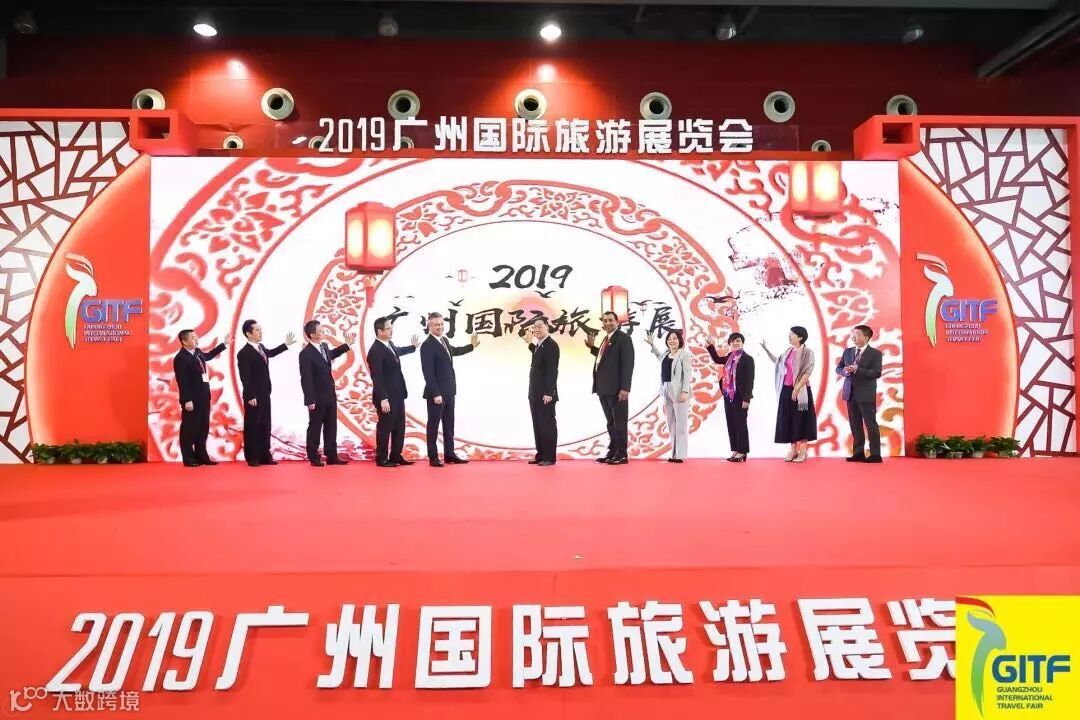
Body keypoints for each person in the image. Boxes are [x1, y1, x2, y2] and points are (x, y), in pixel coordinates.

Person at [419, 312, 479, 467]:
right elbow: (428, 373)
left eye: (441, 324)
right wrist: (435, 393)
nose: (440, 327)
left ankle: (450, 454)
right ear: (429, 325)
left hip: (450, 391)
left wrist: (471, 346)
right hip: (436, 394)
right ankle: (433, 457)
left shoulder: (444, 340)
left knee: (449, 424)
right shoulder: (427, 345)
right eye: (436, 325)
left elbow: (455, 351)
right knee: (433, 425)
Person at [237, 320, 296, 467]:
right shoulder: (244, 353)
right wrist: (250, 395)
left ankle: (265, 455)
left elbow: (270, 353)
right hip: (253, 396)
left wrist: (285, 345)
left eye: (260, 329)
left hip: (265, 393)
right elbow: (245, 377)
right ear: (248, 334)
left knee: (265, 424)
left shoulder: (261, 347)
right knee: (253, 426)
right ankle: (252, 457)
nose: (260, 332)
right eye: (257, 330)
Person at [366, 316, 421, 468]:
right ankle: (382, 458)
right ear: (379, 331)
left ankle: (396, 455)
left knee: (399, 427)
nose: (391, 331)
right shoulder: (375, 350)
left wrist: (412, 347)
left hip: (398, 394)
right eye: (388, 329)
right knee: (385, 428)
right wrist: (383, 398)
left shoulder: (389, 344)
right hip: (386, 397)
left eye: (391, 328)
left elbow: (398, 351)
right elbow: (377, 377)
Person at [299, 320, 352, 467]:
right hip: (316, 397)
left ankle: (332, 455)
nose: (323, 333)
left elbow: (331, 355)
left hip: (329, 393)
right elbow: (306, 378)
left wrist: (346, 345)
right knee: (315, 426)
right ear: (312, 334)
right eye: (320, 331)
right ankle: (314, 456)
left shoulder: (324, 346)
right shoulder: (305, 354)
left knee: (331, 425)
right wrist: (309, 400)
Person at [173, 329, 229, 467]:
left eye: (196, 337)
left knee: (202, 428)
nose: (196, 339)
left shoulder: (197, 352)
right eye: (192, 338)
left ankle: (202, 456)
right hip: (191, 399)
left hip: (204, 396)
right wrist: (187, 400)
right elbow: (182, 381)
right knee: (189, 429)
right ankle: (189, 458)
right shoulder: (180, 358)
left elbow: (208, 355)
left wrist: (223, 345)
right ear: (184, 341)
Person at [761, 326, 817, 463]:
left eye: (792, 334)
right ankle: (793, 450)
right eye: (789, 334)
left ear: (800, 337)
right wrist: (766, 350)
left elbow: (807, 371)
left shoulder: (807, 352)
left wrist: (797, 388)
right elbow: (778, 363)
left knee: (802, 419)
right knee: (789, 419)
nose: (789, 336)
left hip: (801, 391)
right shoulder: (788, 351)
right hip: (786, 390)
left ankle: (803, 451)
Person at [586, 311, 634, 465]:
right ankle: (613, 452)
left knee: (619, 423)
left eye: (610, 320)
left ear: (617, 322)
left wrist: (625, 388)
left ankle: (622, 455)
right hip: (604, 388)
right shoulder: (607, 338)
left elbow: (628, 365)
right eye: (605, 321)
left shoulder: (623, 339)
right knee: (611, 423)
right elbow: (604, 358)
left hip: (617, 390)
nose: (607, 323)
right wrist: (592, 347)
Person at [837, 324, 884, 463]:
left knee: (870, 424)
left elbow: (876, 373)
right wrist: (845, 371)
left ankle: (875, 454)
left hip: (866, 394)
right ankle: (858, 453)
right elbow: (839, 368)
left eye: (857, 334)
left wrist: (858, 369)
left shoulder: (875, 353)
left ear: (866, 337)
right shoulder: (848, 351)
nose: (853, 337)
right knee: (855, 424)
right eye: (852, 334)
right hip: (850, 393)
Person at [706, 332, 756, 462]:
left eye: (738, 341)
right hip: (728, 395)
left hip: (740, 396)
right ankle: (736, 449)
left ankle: (742, 451)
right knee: (731, 423)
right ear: (730, 344)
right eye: (733, 341)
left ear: (742, 343)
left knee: (740, 424)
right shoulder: (730, 357)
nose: (735, 343)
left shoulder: (748, 359)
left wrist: (746, 399)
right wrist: (711, 346)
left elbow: (750, 380)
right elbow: (717, 359)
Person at [645, 329, 692, 462]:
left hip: (679, 391)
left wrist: (685, 391)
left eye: (674, 338)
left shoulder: (685, 355)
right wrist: (652, 344)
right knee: (671, 423)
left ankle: (681, 455)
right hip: (666, 389)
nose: (672, 341)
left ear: (680, 341)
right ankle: (674, 454)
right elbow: (659, 356)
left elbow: (687, 374)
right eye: (669, 338)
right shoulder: (666, 354)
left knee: (681, 424)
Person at [524, 318, 560, 466]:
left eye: (540, 326)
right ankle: (541, 455)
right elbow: (539, 357)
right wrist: (529, 343)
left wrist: (549, 392)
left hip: (546, 395)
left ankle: (549, 457)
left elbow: (552, 371)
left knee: (547, 425)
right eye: (534, 327)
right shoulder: (539, 345)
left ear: (547, 327)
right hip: (534, 393)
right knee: (538, 425)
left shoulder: (551, 345)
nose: (536, 329)